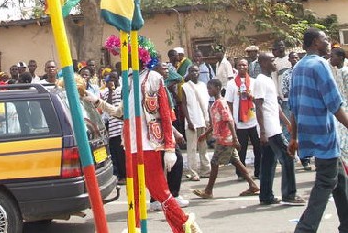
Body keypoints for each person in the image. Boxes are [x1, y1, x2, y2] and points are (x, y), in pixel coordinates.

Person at [92, 60, 201, 233]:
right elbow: (120, 112)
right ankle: (133, 227)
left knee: (159, 190)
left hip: (148, 144)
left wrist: (169, 148)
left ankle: (185, 224)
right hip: (130, 145)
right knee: (133, 192)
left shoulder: (154, 78)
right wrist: (96, 101)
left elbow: (165, 114)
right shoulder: (127, 80)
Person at [288, 28, 348, 233]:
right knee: (324, 184)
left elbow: (293, 106)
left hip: (309, 134)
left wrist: (294, 137)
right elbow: (335, 105)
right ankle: (304, 229)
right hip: (324, 135)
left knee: (341, 182)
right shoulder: (320, 64)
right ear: (315, 42)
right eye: (325, 39)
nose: (329, 42)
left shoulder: (298, 67)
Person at [193, 78, 259, 200]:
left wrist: (235, 139)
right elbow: (215, 123)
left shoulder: (221, 103)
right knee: (236, 161)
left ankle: (208, 190)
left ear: (218, 88)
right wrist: (205, 134)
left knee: (214, 163)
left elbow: (229, 120)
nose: (208, 90)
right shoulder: (216, 103)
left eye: (210, 88)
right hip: (222, 138)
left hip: (226, 139)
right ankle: (252, 184)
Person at [253, 52, 303, 206]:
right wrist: (262, 132)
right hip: (270, 129)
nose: (275, 63)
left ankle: (266, 196)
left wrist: (288, 122)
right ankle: (289, 194)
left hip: (274, 126)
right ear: (263, 63)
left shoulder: (269, 80)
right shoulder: (261, 80)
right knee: (288, 157)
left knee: (268, 162)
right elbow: (259, 106)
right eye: (272, 60)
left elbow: (276, 107)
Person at [225, 58, 261, 180]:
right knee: (241, 149)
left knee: (258, 147)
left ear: (247, 67)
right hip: (239, 122)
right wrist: (231, 120)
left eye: (244, 65)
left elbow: (259, 100)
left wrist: (251, 96)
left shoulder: (254, 82)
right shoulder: (231, 84)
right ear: (236, 66)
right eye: (239, 65)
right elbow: (229, 103)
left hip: (253, 120)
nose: (241, 67)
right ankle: (241, 174)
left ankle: (258, 171)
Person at [181, 65, 210, 181]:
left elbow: (206, 103)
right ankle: (193, 172)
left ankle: (206, 170)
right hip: (192, 121)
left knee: (203, 147)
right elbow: (183, 104)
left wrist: (208, 118)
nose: (194, 73)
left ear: (199, 72)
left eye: (196, 71)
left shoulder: (203, 86)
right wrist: (189, 120)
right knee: (192, 148)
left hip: (202, 120)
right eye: (192, 71)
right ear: (189, 72)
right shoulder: (185, 87)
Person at [329, 46, 348, 169]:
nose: (330, 58)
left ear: (340, 57)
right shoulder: (336, 71)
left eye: (332, 56)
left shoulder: (346, 72)